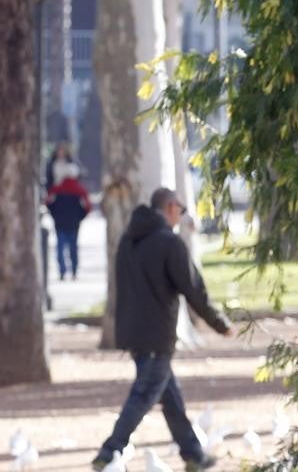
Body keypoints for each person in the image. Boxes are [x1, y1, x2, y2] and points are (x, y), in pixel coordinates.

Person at [92, 188, 233, 471]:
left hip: (133, 331)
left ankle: (193, 454)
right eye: (181, 210)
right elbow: (193, 288)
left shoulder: (128, 240)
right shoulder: (169, 243)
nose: (181, 216)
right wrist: (219, 323)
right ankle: (109, 452)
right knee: (144, 394)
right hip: (157, 334)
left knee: (170, 396)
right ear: (170, 207)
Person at [44, 160, 91, 279]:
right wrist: (81, 216)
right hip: (74, 223)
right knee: (73, 248)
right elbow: (88, 207)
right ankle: (74, 271)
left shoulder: (56, 189)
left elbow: (48, 202)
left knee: (60, 248)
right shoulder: (80, 190)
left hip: (59, 223)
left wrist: (54, 214)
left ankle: (62, 271)